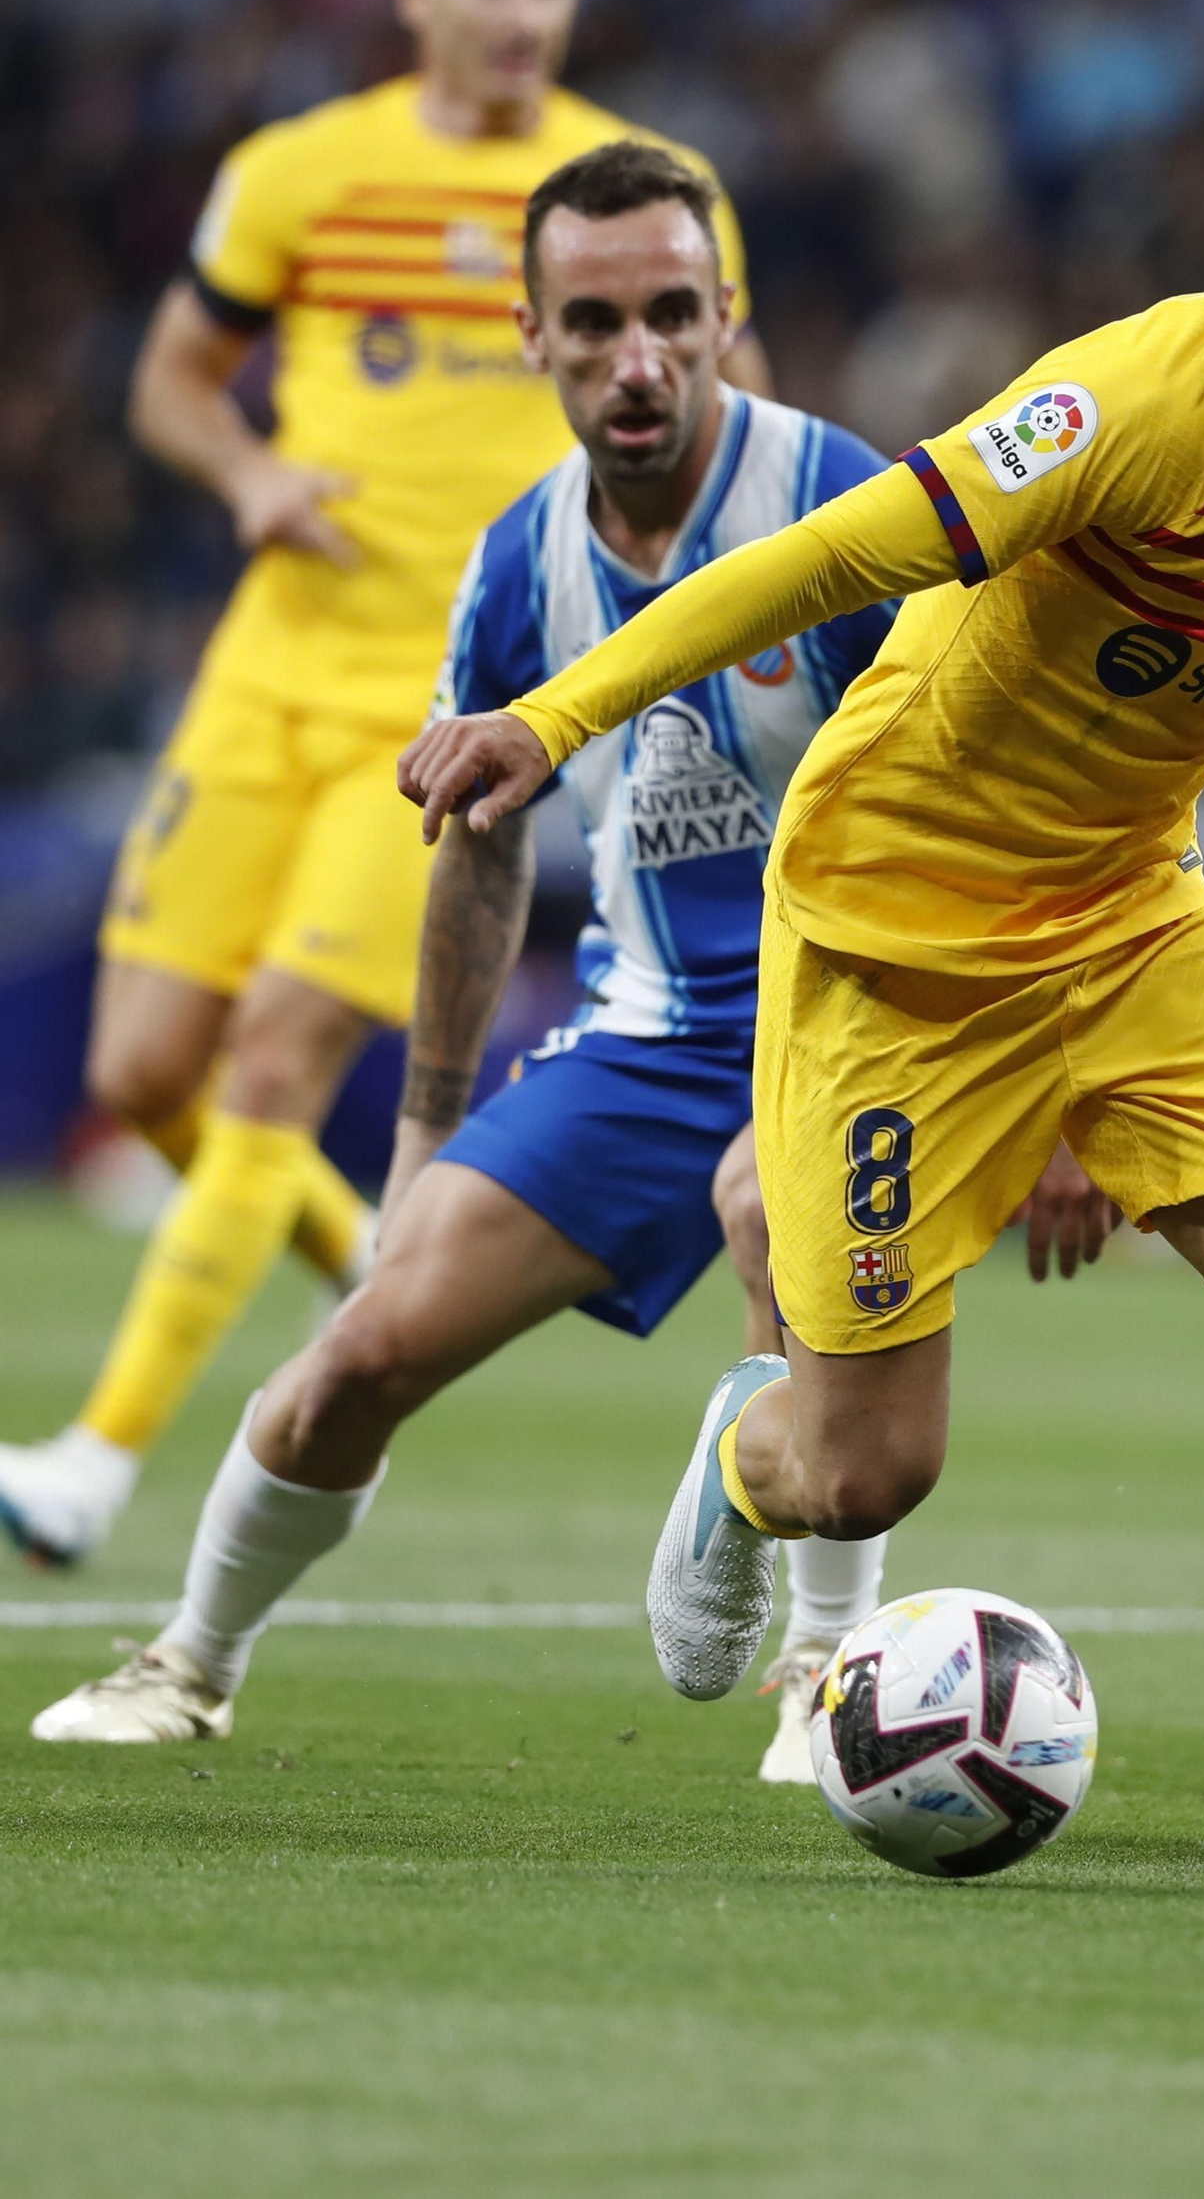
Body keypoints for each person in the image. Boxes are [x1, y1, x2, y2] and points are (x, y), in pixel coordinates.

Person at [390, 82, 1204, 1871]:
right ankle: (738, 1461)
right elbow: (830, 553)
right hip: (895, 933)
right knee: (863, 1476)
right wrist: (555, 720)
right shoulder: (1149, 395)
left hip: (1129, 921)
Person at [29, 144, 1116, 1780]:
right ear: (526, 334)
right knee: (362, 1354)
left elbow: (1027, 782)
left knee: (775, 1196)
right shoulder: (515, 564)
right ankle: (190, 1657)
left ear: (727, 314)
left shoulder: (845, 508)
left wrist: (1069, 1086)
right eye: (594, 321)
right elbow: (478, 848)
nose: (639, 358)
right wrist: (419, 1132)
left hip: (880, 1018)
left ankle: (825, 1669)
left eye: (674, 314)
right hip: (650, 1032)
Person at [0, 0, 769, 1569]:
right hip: (266, 669)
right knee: (139, 1074)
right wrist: (254, 471)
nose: (522, 16)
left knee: (272, 1056)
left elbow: (747, 412)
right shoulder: (300, 170)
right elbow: (170, 381)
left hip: (456, 702)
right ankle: (387, 1270)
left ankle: (96, 1459)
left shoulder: (631, 197)